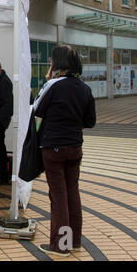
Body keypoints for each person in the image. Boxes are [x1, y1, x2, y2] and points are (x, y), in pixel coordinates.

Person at [35, 45, 96, 257]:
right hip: (75, 147)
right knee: (73, 194)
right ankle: (74, 241)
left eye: (51, 61)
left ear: (57, 63)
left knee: (58, 196)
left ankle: (61, 245)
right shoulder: (84, 88)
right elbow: (90, 121)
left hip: (54, 147)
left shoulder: (53, 85)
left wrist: (47, 81)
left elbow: (37, 109)